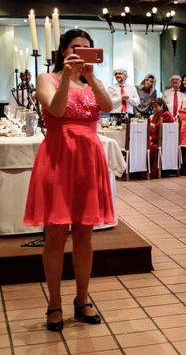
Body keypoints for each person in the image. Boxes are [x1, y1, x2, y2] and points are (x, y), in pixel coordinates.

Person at [23, 29, 114, 332]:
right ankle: (54, 303)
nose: (82, 53)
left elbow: (109, 106)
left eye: (87, 49)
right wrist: (67, 77)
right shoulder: (46, 79)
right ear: (63, 51)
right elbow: (57, 109)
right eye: (76, 48)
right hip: (58, 159)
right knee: (56, 235)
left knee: (85, 234)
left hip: (88, 161)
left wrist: (91, 77)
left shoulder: (91, 82)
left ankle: (83, 298)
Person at [148, 98, 175, 178]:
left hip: (164, 140)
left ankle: (150, 172)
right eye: (153, 107)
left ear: (162, 106)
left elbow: (159, 128)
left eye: (156, 107)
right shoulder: (157, 115)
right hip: (156, 139)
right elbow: (151, 129)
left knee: (151, 147)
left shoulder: (167, 115)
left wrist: (150, 125)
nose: (154, 109)